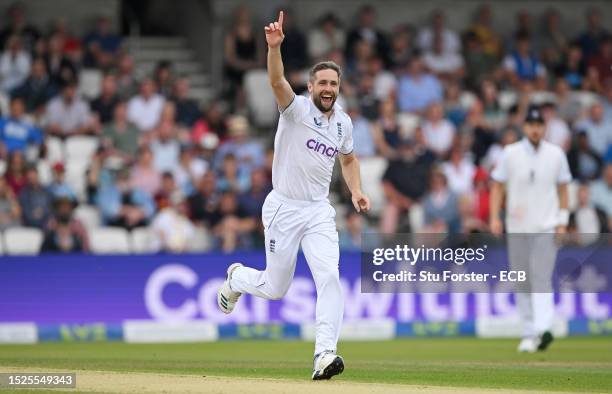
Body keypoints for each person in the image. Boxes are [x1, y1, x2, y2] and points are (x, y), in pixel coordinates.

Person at [217, 11, 370, 381]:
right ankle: (237, 279)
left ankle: (324, 354)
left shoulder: (344, 123)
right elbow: (275, 80)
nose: (328, 88)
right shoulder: (296, 110)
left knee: (330, 278)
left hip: (318, 211)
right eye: (322, 83)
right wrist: (274, 48)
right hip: (284, 207)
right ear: (311, 85)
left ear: (339, 86)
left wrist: (357, 190)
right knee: (275, 288)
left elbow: (348, 159)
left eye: (334, 82)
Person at [490, 106, 571, 353]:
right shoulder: (510, 153)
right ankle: (528, 330)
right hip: (518, 227)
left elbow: (564, 189)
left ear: (544, 128)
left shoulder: (556, 154)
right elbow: (497, 186)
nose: (535, 130)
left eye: (539, 125)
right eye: (531, 125)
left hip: (546, 226)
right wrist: (495, 216)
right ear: (525, 127)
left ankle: (543, 328)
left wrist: (562, 221)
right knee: (523, 280)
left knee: (541, 276)